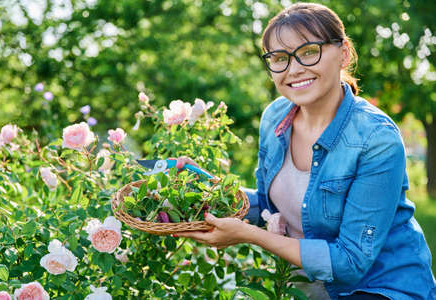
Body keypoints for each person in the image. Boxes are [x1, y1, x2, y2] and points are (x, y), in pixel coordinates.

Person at [174, 2, 436, 299]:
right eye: (280, 58)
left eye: (309, 52)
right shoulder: (275, 118)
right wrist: (211, 189)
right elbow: (271, 207)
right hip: (307, 288)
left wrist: (249, 236)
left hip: (380, 288)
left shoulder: (376, 139)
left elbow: (350, 262)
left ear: (344, 53)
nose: (295, 69)